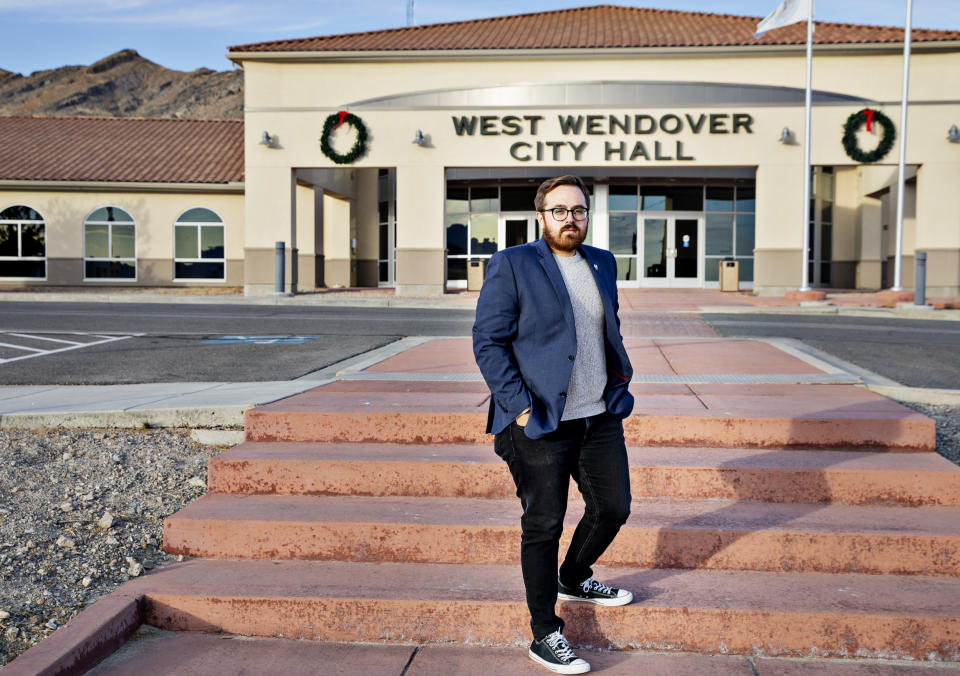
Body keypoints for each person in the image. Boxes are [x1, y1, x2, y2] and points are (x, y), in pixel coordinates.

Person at [472, 175, 635, 674]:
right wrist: (519, 406)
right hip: (539, 421)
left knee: (613, 507)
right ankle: (544, 633)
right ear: (541, 216)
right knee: (542, 525)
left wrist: (617, 383)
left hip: (598, 414)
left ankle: (575, 574)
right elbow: (488, 340)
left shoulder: (602, 262)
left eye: (579, 211)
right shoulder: (513, 264)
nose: (571, 219)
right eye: (560, 210)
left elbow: (607, 328)